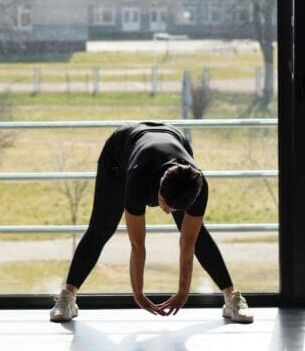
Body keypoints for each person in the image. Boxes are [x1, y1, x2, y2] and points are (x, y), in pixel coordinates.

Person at [50, 121, 253, 324]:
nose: (167, 212)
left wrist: (184, 291)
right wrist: (138, 293)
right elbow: (137, 245)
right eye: (166, 204)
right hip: (120, 152)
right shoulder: (137, 181)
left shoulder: (196, 183)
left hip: (173, 138)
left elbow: (188, 242)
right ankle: (67, 296)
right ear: (158, 190)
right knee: (101, 227)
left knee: (198, 235)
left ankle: (231, 298)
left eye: (175, 209)